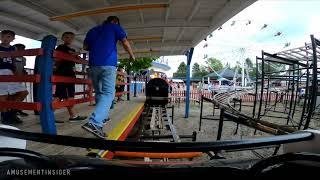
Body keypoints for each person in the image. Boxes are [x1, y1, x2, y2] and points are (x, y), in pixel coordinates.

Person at [82, 16, 135, 138]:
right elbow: (125, 42)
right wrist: (132, 55)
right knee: (108, 94)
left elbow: (85, 47)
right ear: (115, 22)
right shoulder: (115, 27)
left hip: (93, 65)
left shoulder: (93, 30)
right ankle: (95, 122)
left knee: (100, 93)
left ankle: (101, 119)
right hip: (108, 64)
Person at [54, 32, 87, 123]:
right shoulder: (61, 47)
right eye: (67, 37)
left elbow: (78, 60)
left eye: (71, 38)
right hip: (63, 74)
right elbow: (57, 59)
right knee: (61, 95)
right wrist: (75, 54)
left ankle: (73, 116)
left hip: (69, 74)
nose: (69, 39)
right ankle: (48, 116)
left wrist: (76, 55)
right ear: (63, 38)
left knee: (65, 95)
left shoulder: (71, 49)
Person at [0, 30, 28, 125]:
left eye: (8, 37)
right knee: (3, 95)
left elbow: (14, 63)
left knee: (23, 92)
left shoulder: (13, 49)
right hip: (0, 72)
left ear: (13, 39)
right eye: (3, 36)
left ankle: (11, 113)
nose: (5, 38)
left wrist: (17, 75)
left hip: (11, 73)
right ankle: (5, 116)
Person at [12, 43, 28, 117]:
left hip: (19, 79)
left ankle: (16, 109)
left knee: (20, 94)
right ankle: (12, 111)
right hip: (11, 79)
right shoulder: (11, 57)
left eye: (22, 49)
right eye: (19, 48)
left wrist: (24, 72)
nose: (21, 50)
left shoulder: (24, 59)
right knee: (20, 94)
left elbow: (23, 68)